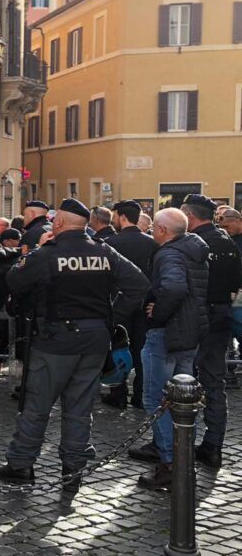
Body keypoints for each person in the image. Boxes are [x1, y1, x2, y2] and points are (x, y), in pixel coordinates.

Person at [0, 199, 149, 493]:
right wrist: (111, 318)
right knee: (79, 407)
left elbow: (14, 280)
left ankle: (21, 464)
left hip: (55, 340)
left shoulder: (48, 254)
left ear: (59, 223)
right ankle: (73, 470)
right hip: (94, 341)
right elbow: (138, 284)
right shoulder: (104, 251)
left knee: (37, 405)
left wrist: (37, 248)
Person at [128, 208, 209, 489]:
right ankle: (183, 463)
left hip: (168, 333)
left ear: (162, 230)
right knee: (183, 401)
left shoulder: (169, 253)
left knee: (158, 399)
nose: (151, 233)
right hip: (188, 333)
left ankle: (170, 465)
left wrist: (157, 313)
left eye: (154, 229)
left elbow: (174, 288)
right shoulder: (193, 249)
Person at [179, 195, 240, 469]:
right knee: (214, 382)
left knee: (181, 381)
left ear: (190, 217)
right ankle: (213, 446)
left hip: (193, 319)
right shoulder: (228, 242)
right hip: (221, 317)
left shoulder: (192, 243)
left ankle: (177, 447)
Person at [101, 200, 158, 410]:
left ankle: (118, 393)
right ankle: (141, 394)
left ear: (123, 217)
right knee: (142, 351)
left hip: (118, 305)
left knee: (118, 349)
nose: (114, 220)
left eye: (115, 216)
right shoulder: (152, 243)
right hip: (145, 306)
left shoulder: (110, 244)